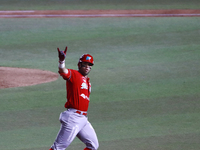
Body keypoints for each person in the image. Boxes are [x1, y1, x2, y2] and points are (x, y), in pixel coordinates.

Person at [49, 47, 99, 150]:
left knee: (93, 145)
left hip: (83, 119)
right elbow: (63, 71)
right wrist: (62, 61)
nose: (87, 67)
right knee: (58, 147)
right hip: (73, 117)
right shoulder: (74, 75)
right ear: (79, 65)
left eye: (89, 65)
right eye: (85, 64)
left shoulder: (88, 82)